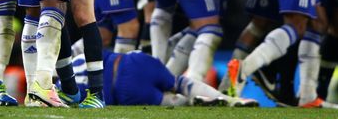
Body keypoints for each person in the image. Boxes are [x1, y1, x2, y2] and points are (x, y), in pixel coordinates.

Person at [71, 49, 257, 107]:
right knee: (178, 82)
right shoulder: (76, 56)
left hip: (121, 91)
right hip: (131, 61)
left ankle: (192, 102)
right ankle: (227, 99)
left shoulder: (63, 88)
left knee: (171, 101)